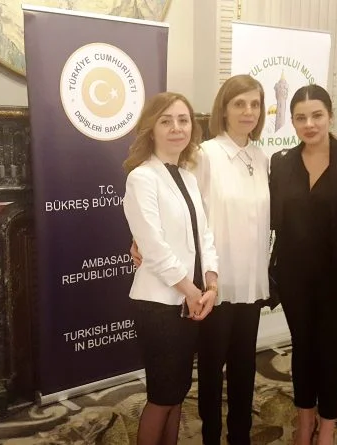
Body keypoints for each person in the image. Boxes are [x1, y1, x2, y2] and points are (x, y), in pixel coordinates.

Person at [132, 74, 271, 445]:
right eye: (239, 103)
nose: (248, 111)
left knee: (244, 366)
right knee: (206, 371)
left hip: (246, 281)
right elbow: (167, 209)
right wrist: (139, 240)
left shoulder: (261, 158)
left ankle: (240, 436)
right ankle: (211, 436)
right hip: (210, 291)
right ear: (223, 109)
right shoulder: (204, 154)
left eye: (255, 104)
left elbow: (196, 217)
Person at [269, 84, 337, 445]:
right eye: (300, 117)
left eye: (317, 115)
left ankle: (328, 426)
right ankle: (305, 422)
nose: (310, 124)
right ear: (292, 121)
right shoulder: (281, 163)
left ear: (330, 116)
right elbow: (266, 217)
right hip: (295, 278)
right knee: (302, 348)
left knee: (330, 352)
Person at [122, 91, 219, 445]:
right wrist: (192, 291)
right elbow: (154, 247)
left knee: (177, 393)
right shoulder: (142, 178)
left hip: (190, 301)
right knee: (162, 397)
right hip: (159, 305)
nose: (177, 128)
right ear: (151, 128)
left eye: (183, 120)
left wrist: (211, 283)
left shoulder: (188, 177)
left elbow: (204, 236)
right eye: (166, 121)